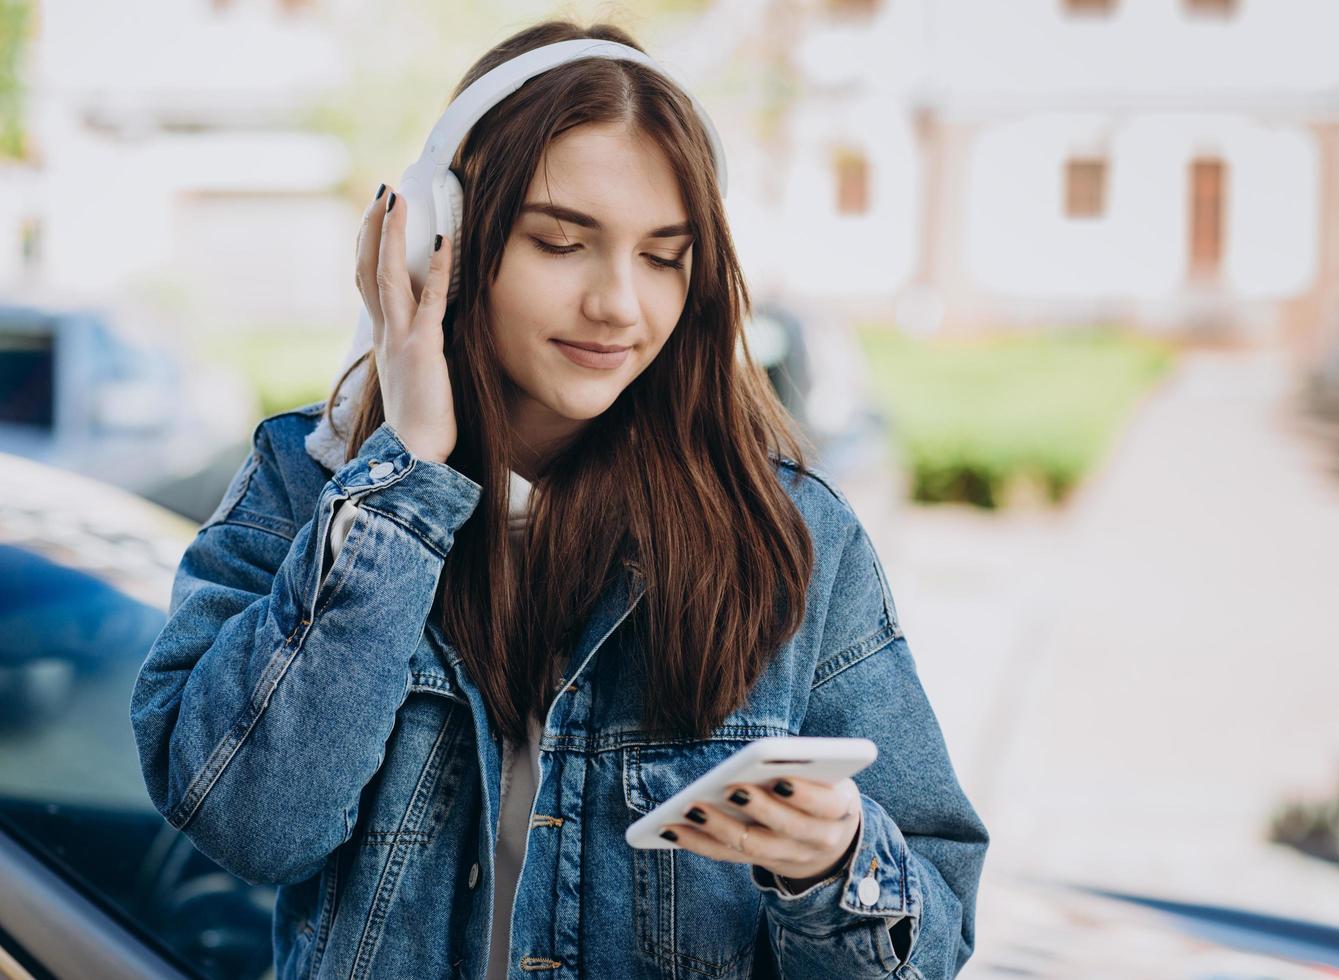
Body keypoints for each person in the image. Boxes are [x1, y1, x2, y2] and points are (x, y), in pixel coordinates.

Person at [129, 18, 987, 980]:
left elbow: (936, 931)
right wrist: (407, 473)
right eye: (562, 242)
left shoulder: (791, 535)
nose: (620, 304)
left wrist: (831, 867)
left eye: (664, 256)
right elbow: (249, 821)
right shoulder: (310, 482)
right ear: (437, 247)